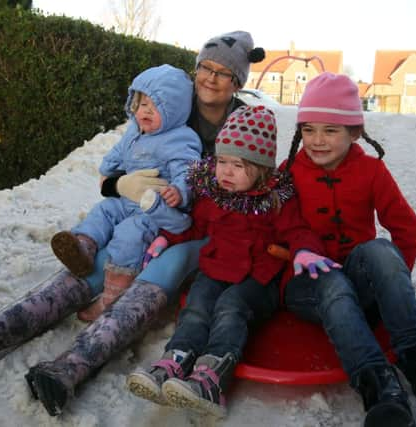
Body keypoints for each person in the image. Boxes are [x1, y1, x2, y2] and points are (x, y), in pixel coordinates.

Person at [0, 31, 266, 416]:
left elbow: (260, 181)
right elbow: (113, 173)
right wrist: (122, 184)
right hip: (144, 212)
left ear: (238, 80)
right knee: (95, 262)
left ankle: (71, 368)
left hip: (203, 228)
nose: (210, 77)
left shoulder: (245, 121)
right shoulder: (170, 102)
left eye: (224, 72)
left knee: (161, 267)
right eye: (206, 67)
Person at [281, 72, 416, 427]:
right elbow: (288, 225)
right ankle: (379, 387)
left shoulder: (371, 171)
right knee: (333, 284)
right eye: (308, 129)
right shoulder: (288, 173)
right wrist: (304, 250)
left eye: (330, 130)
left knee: (379, 249)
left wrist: (392, 285)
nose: (316, 141)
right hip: (308, 282)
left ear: (355, 132)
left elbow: (406, 228)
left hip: (358, 277)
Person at [125, 105, 332, 418]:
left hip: (258, 279)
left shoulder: (275, 199)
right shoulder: (213, 195)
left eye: (238, 165)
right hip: (216, 266)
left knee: (230, 308)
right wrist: (166, 237)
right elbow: (194, 225)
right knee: (197, 305)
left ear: (261, 169)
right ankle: (175, 360)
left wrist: (305, 250)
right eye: (222, 161)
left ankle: (212, 377)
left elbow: (297, 230)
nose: (226, 172)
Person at [50, 64, 201, 322]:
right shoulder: (133, 131)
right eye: (141, 104)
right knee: (103, 211)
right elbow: (118, 154)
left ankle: (110, 298)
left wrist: (180, 191)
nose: (145, 111)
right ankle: (84, 246)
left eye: (155, 106)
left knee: (129, 235)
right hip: (126, 198)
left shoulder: (180, 138)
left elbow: (188, 170)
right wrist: (108, 169)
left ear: (174, 111)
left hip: (150, 207)